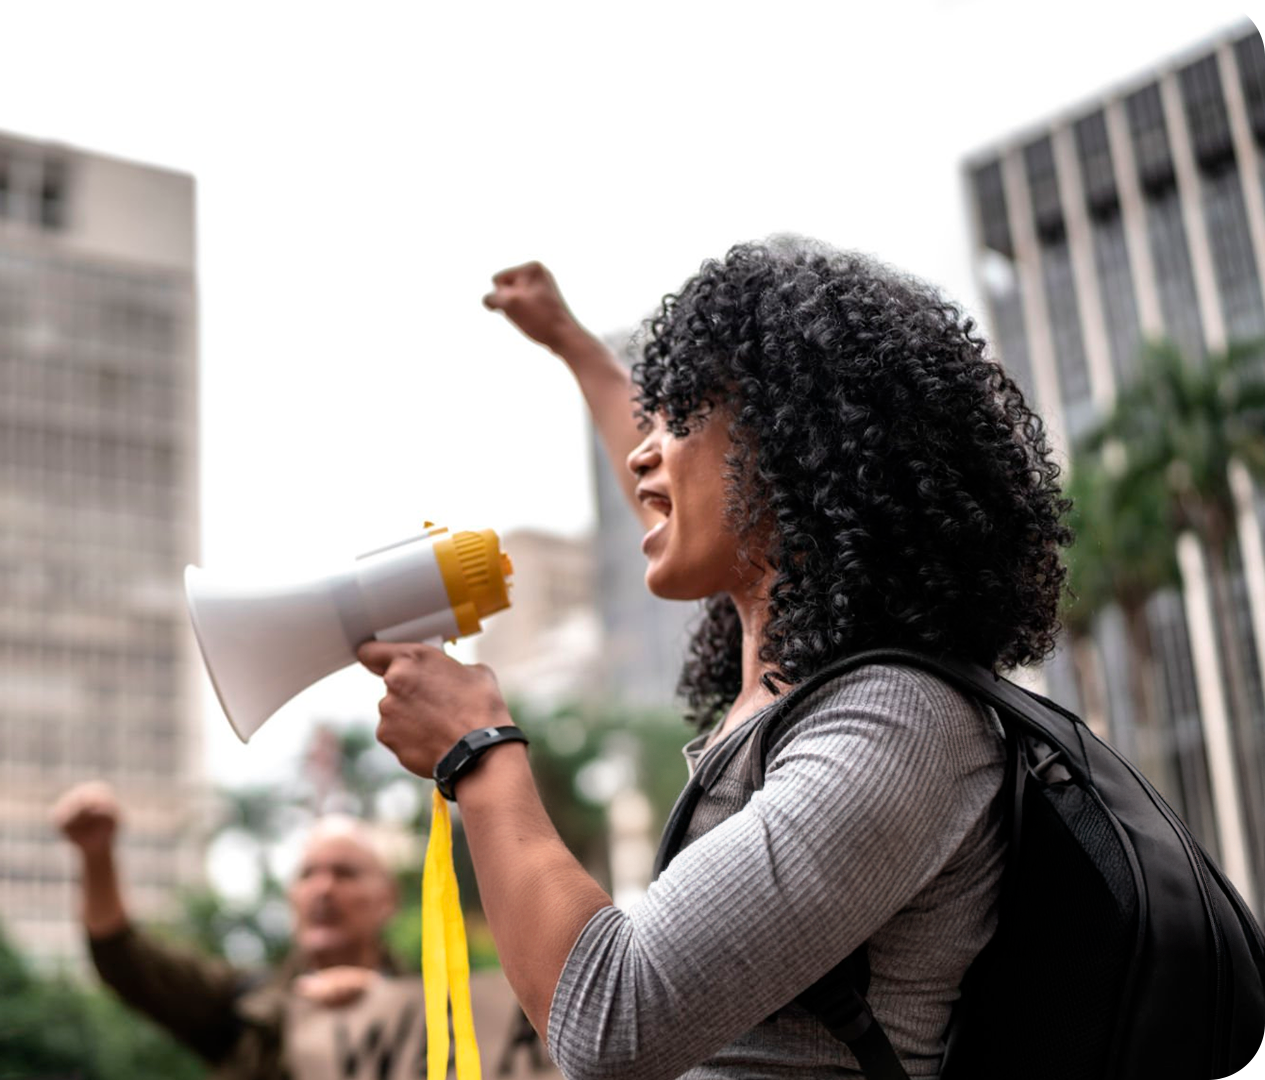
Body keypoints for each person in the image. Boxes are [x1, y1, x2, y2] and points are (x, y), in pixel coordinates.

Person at [361, 242, 1070, 1078]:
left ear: (796, 444)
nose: (641, 453)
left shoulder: (899, 719)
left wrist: (474, 748)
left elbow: (612, 1020)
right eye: (649, 420)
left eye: (681, 416)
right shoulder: (804, 696)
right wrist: (576, 346)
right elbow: (676, 490)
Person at [53, 781, 400, 1080]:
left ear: (387, 899)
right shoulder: (248, 1005)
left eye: (345, 873)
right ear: (291, 897)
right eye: (307, 874)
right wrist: (96, 855)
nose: (323, 888)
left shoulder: (438, 1013)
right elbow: (125, 960)